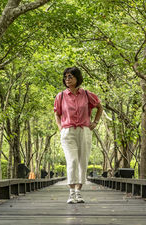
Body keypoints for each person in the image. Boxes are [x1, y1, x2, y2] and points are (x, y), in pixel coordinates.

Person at [54, 67, 103, 204]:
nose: (67, 79)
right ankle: (71, 193)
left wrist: (96, 122)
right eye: (66, 77)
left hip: (84, 131)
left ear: (77, 78)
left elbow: (100, 107)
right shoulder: (61, 96)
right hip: (68, 132)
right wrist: (61, 128)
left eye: (70, 76)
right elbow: (57, 113)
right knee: (72, 161)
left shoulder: (87, 94)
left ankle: (78, 192)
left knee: (82, 161)